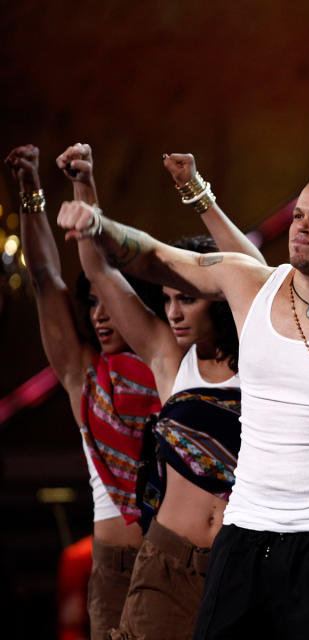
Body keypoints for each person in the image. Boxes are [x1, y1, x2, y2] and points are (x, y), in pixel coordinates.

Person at [56, 169, 309, 639]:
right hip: (243, 536)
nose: (301, 226)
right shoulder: (250, 285)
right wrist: (100, 226)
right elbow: (157, 258)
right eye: (299, 215)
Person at [62, 147, 262, 639]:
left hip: (242, 561)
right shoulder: (168, 358)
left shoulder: (265, 355)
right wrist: (85, 192)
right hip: (166, 563)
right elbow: (101, 275)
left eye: (187, 298)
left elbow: (257, 274)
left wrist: (198, 191)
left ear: (218, 299)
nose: (172, 312)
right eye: (167, 299)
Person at [6, 144, 161, 640]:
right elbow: (45, 277)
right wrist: (30, 191)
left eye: (108, 302)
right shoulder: (84, 377)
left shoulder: (171, 366)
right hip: (111, 566)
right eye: (91, 304)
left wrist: (84, 186)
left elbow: (103, 268)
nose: (99, 312)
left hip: (175, 563)